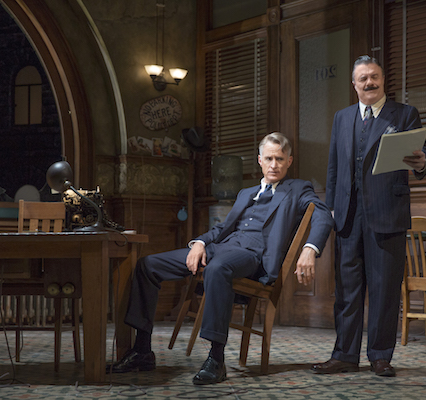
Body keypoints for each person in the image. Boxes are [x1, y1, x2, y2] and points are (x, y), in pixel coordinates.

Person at [109, 132, 334, 385]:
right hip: (221, 247)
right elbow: (222, 229)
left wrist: (310, 248)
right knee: (148, 265)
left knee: (217, 268)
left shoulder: (297, 189)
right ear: (259, 160)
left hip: (253, 255)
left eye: (280, 159)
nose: (274, 165)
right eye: (269, 158)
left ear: (289, 161)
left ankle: (216, 359)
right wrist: (200, 243)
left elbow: (323, 215)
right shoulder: (245, 193)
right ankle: (142, 350)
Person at [312, 55, 426, 377]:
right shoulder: (342, 117)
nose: (369, 82)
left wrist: (421, 162)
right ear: (354, 84)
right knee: (347, 291)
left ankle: (380, 356)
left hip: (387, 213)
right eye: (363, 78)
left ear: (382, 79)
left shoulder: (405, 113)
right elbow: (334, 168)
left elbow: (422, 157)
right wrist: (333, 209)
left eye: (374, 76)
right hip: (348, 216)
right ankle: (344, 356)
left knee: (384, 289)